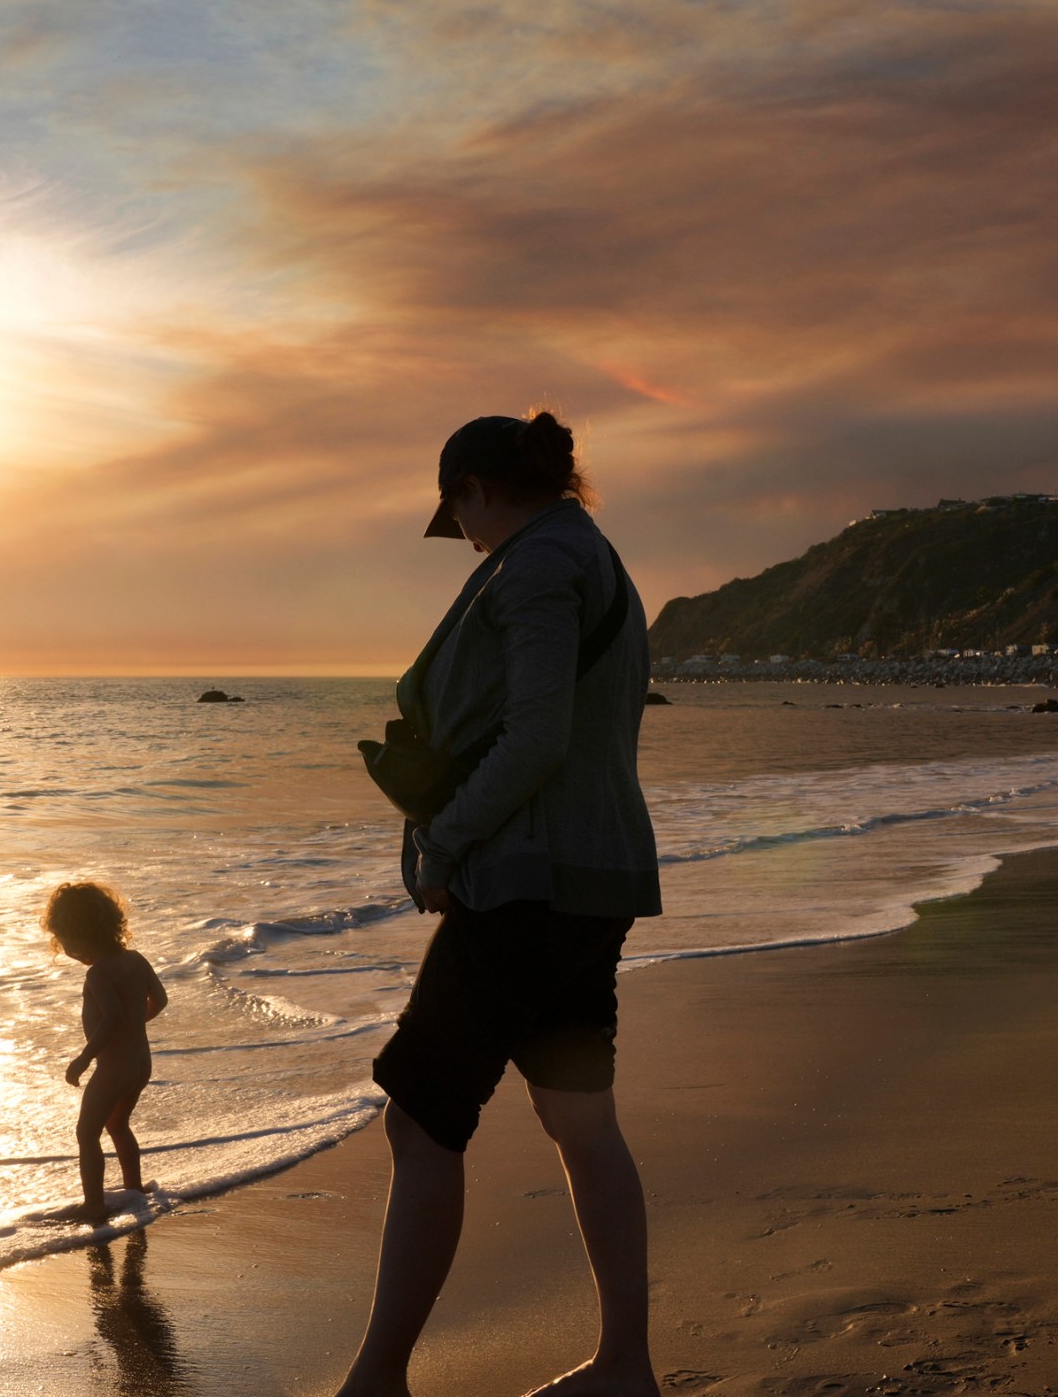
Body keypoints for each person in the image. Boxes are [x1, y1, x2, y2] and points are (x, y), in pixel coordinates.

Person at [337, 411, 664, 1397]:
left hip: (529, 884)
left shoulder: (535, 568)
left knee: (422, 1120)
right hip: (588, 879)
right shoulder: (585, 553)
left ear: (474, 491)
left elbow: (535, 739)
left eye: (459, 515)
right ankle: (624, 1369)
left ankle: (378, 1381)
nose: (464, 536)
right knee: (578, 1117)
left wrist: (447, 837)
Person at [46, 880, 170, 1224]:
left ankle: (94, 1205)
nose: (66, 949)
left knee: (87, 1133)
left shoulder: (98, 973)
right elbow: (160, 1000)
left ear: (82, 936)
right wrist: (137, 1024)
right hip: (140, 1064)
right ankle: (134, 1188)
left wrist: (84, 1058)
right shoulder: (135, 959)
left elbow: (112, 1016)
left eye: (65, 941)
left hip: (113, 1067)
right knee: (118, 1124)